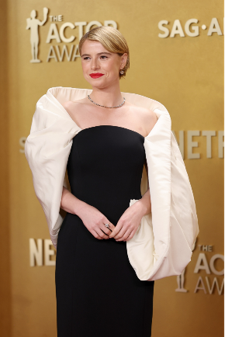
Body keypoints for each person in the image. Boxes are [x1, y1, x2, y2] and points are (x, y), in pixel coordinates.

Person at [24, 26, 198, 337]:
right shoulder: (62, 114)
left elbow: (169, 182)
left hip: (130, 244)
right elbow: (46, 182)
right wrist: (82, 210)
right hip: (80, 242)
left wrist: (140, 209)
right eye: (86, 57)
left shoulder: (148, 118)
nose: (93, 66)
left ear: (122, 60)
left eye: (103, 57)